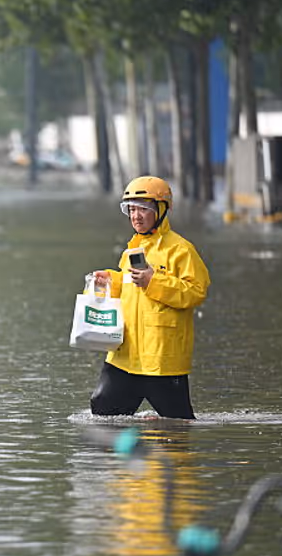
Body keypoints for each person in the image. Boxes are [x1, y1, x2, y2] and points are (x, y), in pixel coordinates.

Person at [89, 175, 210, 419]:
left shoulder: (181, 250)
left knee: (178, 427)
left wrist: (153, 281)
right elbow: (129, 290)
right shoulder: (131, 250)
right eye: (131, 209)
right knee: (102, 412)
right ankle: (123, 457)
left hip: (162, 360)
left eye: (143, 209)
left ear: (161, 210)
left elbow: (196, 292)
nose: (136, 216)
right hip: (125, 355)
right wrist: (109, 282)